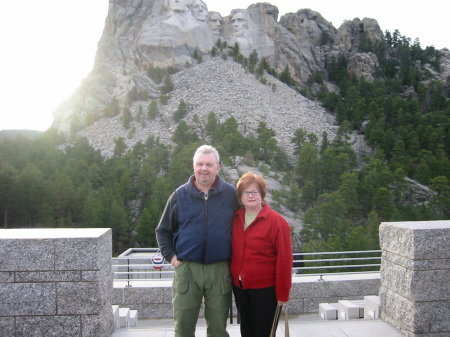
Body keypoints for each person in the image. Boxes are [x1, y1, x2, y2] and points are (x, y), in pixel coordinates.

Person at [156, 145, 238, 337]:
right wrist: (173, 259)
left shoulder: (231, 195)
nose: (204, 168)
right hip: (187, 269)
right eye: (200, 164)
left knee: (218, 328)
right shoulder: (179, 195)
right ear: (193, 167)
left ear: (218, 167)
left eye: (209, 164)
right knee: (183, 326)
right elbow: (163, 231)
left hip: (219, 270)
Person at [230, 172, 293, 337]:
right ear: (240, 197)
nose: (250, 196)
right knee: (247, 332)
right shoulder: (235, 219)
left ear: (262, 195)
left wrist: (283, 294)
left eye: (254, 192)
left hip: (266, 291)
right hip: (240, 289)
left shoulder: (277, 222)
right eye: (246, 192)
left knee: (264, 333)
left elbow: (285, 260)